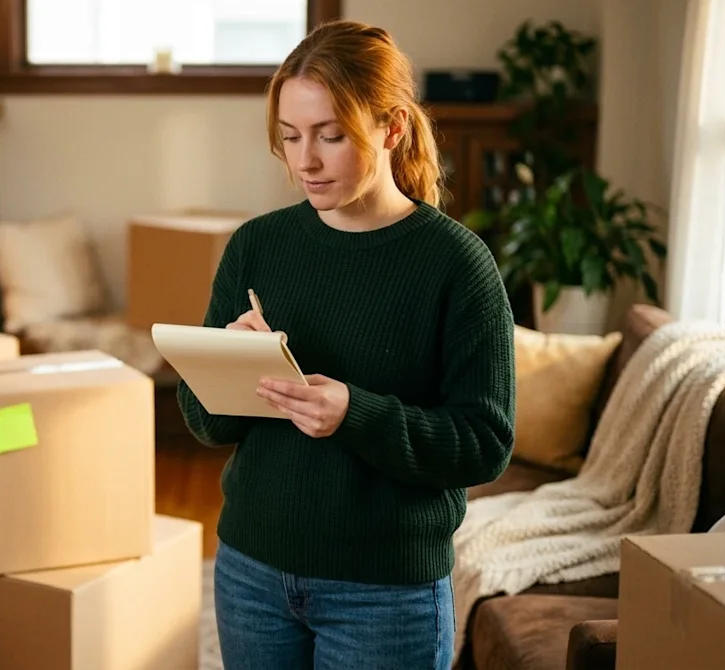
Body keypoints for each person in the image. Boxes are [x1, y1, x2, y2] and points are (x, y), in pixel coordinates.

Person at [177, 19, 516, 670]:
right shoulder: (258, 245)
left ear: (390, 128)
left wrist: (354, 415)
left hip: (386, 592)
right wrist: (230, 366)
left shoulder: (456, 265)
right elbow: (204, 422)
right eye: (290, 137)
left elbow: (485, 442)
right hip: (250, 574)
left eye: (331, 136)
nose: (305, 161)